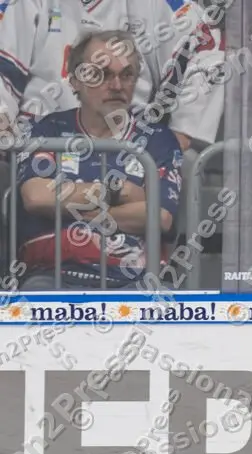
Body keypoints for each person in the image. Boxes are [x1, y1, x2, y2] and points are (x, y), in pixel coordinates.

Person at [16, 30, 183, 289]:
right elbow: (37, 197)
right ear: (75, 81)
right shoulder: (47, 130)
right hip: (51, 277)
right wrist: (119, 192)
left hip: (136, 282)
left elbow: (159, 217)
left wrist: (71, 207)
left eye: (126, 74)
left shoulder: (158, 139)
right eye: (101, 74)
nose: (116, 85)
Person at [0, 0, 226, 151]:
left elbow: (205, 43)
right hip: (42, 150)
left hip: (127, 153)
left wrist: (181, 133)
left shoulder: (155, 4)